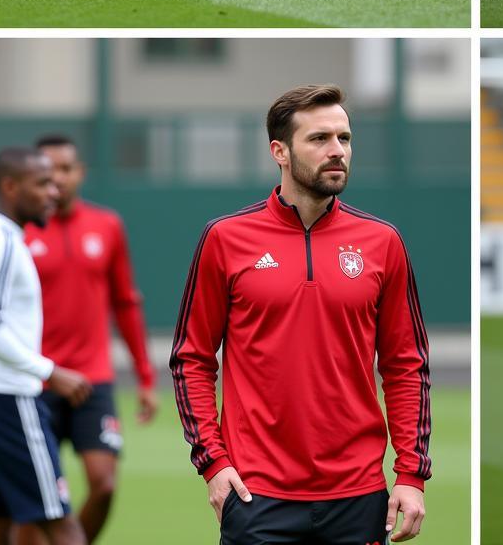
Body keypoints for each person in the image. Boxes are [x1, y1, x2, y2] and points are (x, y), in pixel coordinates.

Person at [170, 85, 431, 544]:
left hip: (358, 495)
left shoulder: (383, 241)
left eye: (345, 138)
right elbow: (191, 359)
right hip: (255, 495)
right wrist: (212, 462)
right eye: (319, 139)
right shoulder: (225, 238)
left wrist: (411, 475)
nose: (337, 152)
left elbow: (406, 365)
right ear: (280, 151)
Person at [16, 136, 157, 545]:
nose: (57, 179)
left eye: (65, 169)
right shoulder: (19, 231)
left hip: (94, 378)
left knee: (104, 484)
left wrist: (145, 377)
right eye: (47, 171)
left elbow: (125, 302)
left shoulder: (106, 225)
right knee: (34, 502)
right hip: (36, 382)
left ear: (80, 173)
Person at [0, 147, 92, 545]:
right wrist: (51, 372)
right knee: (61, 522)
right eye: (42, 183)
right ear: (9, 186)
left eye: (55, 182)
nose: (54, 192)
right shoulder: (0, 243)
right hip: (8, 399)